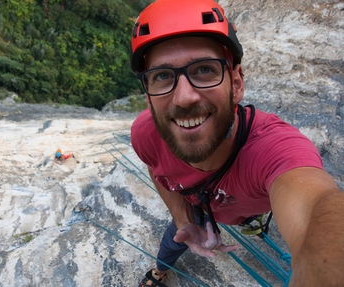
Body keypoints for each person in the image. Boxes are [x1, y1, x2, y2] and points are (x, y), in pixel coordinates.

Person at [129, 0, 344, 286]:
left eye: (204, 69)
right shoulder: (146, 134)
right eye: (163, 76)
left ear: (237, 83)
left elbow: (316, 205)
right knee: (171, 244)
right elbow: (156, 169)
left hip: (242, 207)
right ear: (148, 98)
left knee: (245, 215)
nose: (184, 97)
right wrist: (182, 220)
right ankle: (159, 272)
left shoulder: (272, 149)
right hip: (196, 208)